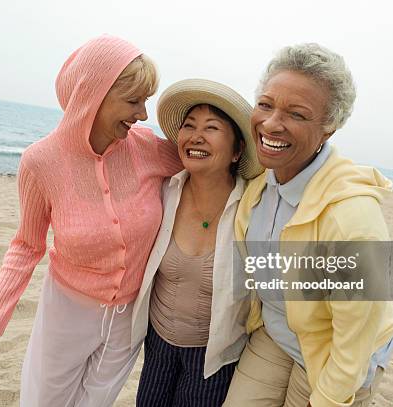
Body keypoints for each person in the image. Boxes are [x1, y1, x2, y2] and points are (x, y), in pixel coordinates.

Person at [0, 35, 182, 407]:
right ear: (93, 95)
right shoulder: (40, 162)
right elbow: (26, 249)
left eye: (146, 101)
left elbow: (212, 163)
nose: (143, 114)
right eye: (133, 100)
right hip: (67, 311)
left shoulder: (146, 147)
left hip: (129, 318)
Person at [223, 43, 393, 407]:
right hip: (276, 333)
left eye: (297, 114)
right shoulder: (259, 182)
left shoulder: (352, 218)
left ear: (328, 129)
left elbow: (356, 334)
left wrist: (330, 399)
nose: (272, 123)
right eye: (265, 105)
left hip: (338, 350)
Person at [131, 79, 264, 406]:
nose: (196, 136)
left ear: (236, 150)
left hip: (215, 358)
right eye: (189, 126)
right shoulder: (164, 191)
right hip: (157, 345)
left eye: (211, 127)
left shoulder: (253, 208)